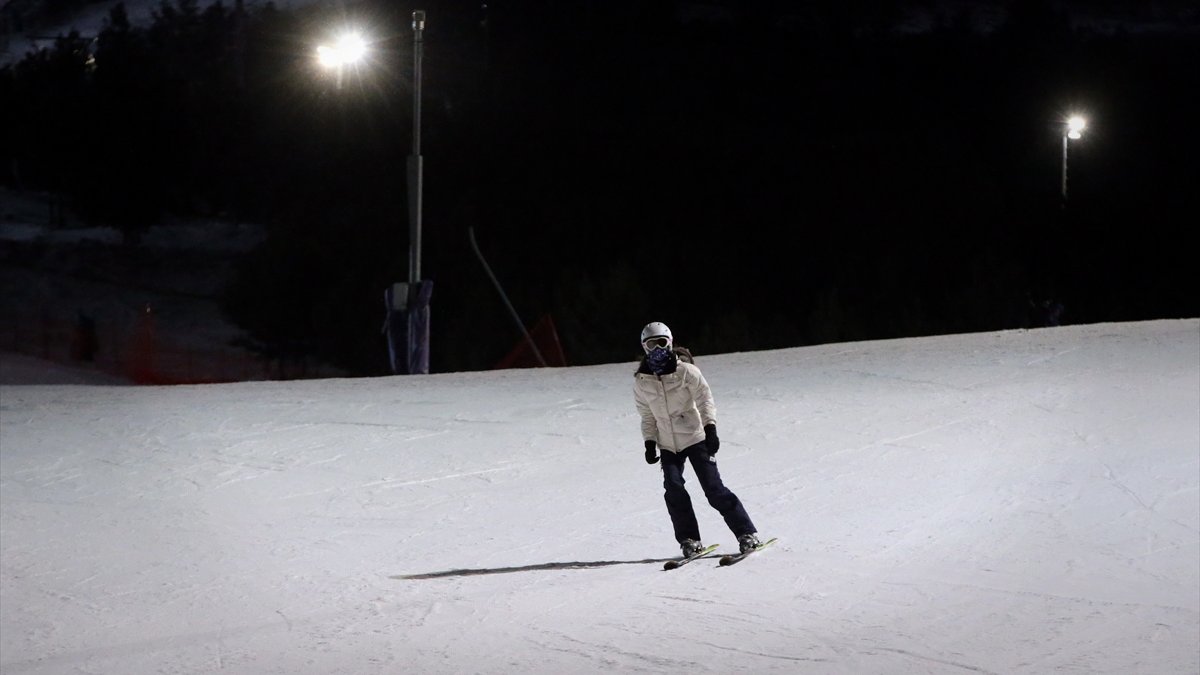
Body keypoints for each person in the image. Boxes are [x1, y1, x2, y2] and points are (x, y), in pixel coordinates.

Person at [633, 321, 761, 558]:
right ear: (645, 347)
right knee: (673, 490)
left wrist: (710, 429)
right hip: (668, 444)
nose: (658, 348)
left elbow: (705, 400)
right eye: (652, 344)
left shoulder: (687, 372)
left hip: (695, 437)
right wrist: (650, 442)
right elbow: (647, 415)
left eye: (662, 342)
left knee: (713, 489)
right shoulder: (642, 381)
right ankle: (689, 540)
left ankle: (747, 533)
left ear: (670, 343)